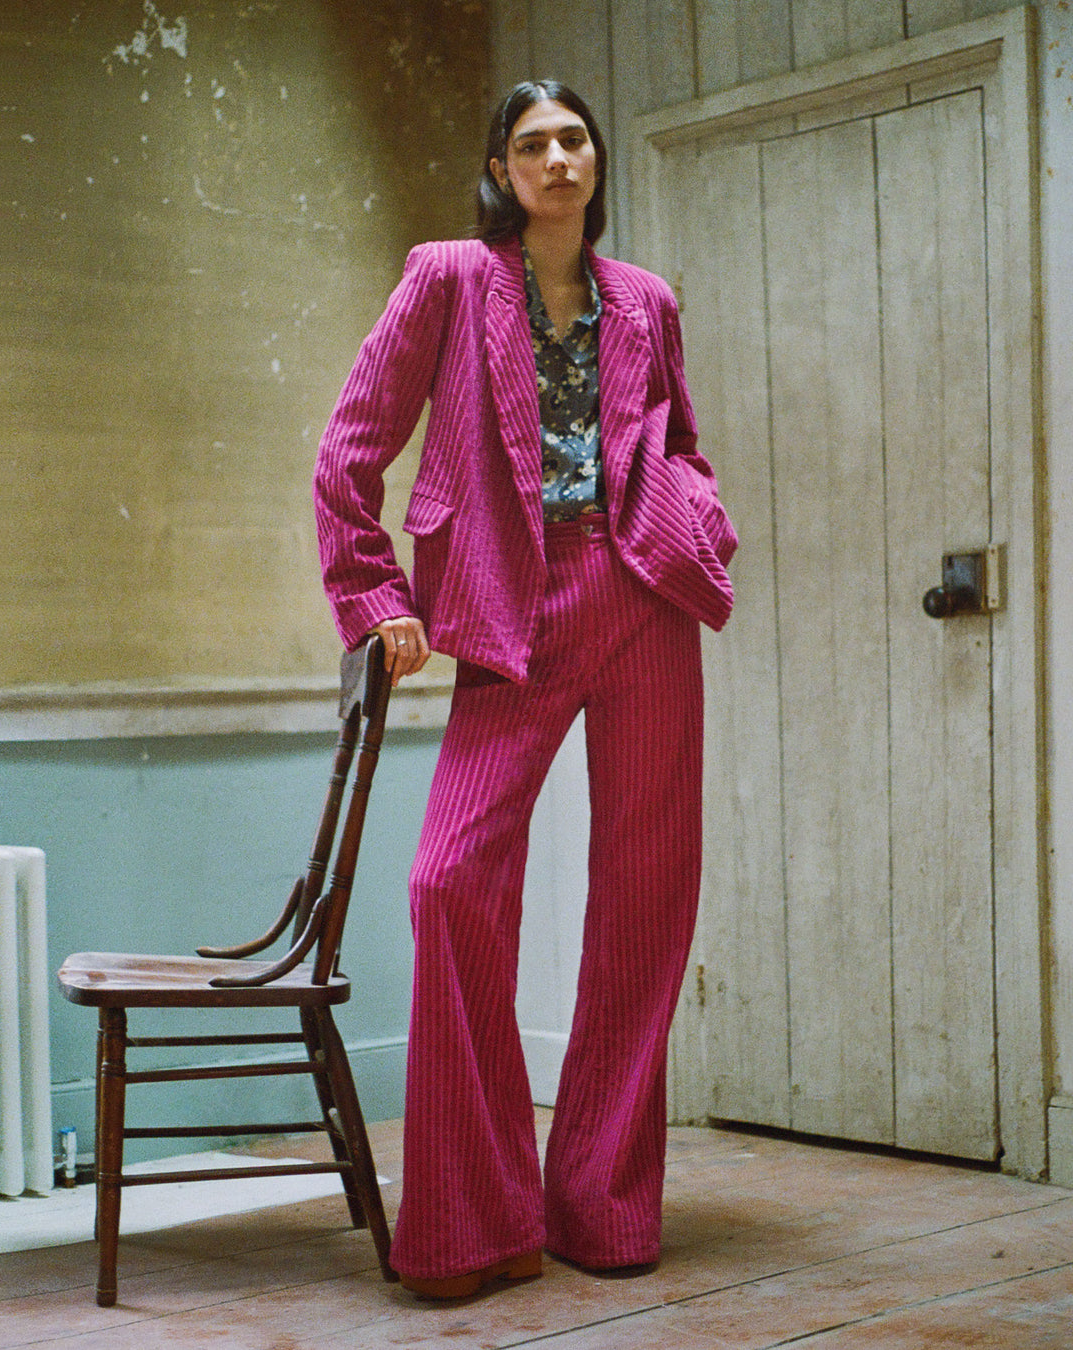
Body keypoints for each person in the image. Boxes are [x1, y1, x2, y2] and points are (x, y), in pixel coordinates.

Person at [314, 80, 737, 1300]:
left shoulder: (645, 300)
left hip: (644, 594)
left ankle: (601, 1208)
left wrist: (696, 514)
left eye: (575, 138)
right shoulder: (448, 276)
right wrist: (378, 597)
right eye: (533, 143)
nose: (559, 158)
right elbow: (351, 447)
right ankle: (473, 1223)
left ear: (597, 161)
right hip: (512, 601)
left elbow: (680, 439)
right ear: (502, 166)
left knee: (646, 899)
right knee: (450, 884)